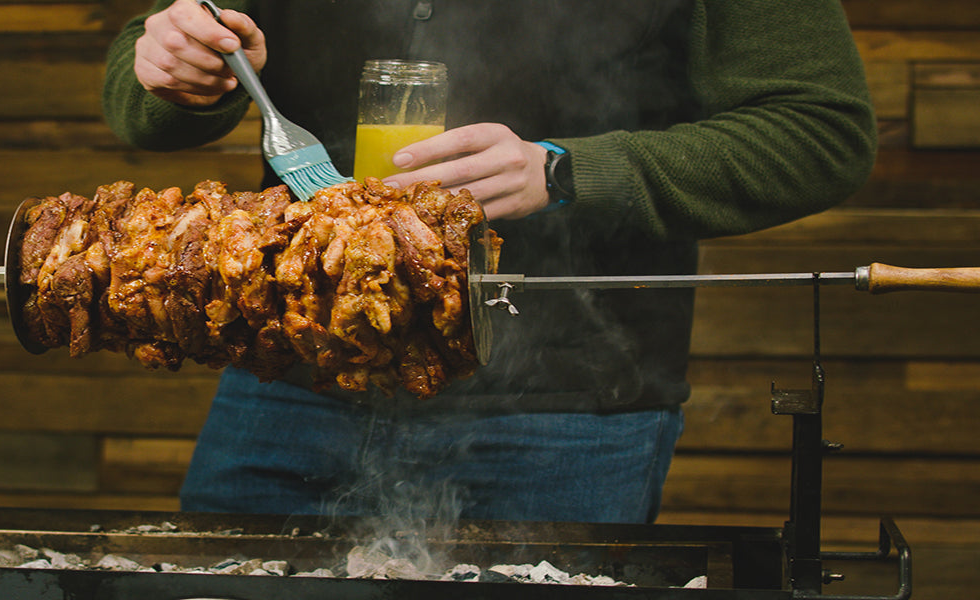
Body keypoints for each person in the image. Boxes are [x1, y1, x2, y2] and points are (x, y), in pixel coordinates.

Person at [102, 0, 876, 524]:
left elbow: (820, 129)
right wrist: (174, 67)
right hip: (292, 384)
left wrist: (566, 170)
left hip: (562, 414)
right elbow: (151, 76)